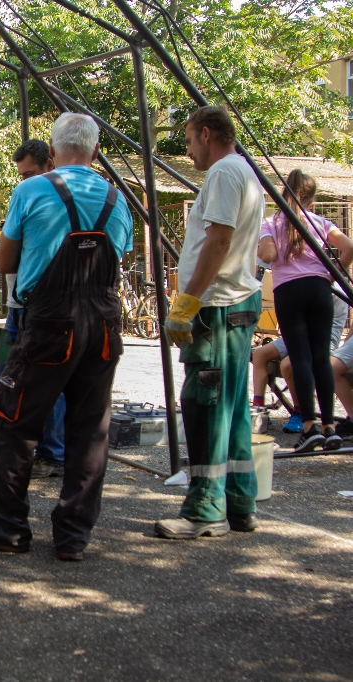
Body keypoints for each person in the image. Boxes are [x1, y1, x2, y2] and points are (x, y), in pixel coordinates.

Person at [0, 113, 133, 561]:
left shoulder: (32, 190)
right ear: (95, 153)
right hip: (104, 325)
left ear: (53, 153)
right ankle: (73, 537)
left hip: (50, 323)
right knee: (90, 431)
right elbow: (119, 257)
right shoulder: (118, 198)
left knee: (12, 424)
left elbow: (4, 263)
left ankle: (8, 528)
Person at [156, 107, 265, 540]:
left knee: (204, 406)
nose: (188, 150)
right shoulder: (246, 172)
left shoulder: (223, 173)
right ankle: (240, 502)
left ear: (206, 133)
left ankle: (205, 509)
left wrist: (187, 302)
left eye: (188, 141)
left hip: (216, 309)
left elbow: (218, 241)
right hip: (238, 303)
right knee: (233, 411)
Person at [256, 170, 353, 452]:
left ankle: (309, 425)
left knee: (300, 358)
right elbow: (349, 247)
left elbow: (268, 256)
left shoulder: (271, 223)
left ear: (282, 194)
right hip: (319, 290)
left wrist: (264, 245)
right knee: (322, 358)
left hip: (289, 292)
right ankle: (330, 429)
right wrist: (330, 275)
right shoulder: (321, 222)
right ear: (311, 197)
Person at [0, 139, 65, 479]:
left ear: (50, 164)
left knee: (41, 381)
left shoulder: (39, 197)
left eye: (31, 173)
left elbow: (5, 259)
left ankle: (50, 452)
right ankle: (13, 443)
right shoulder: (32, 194)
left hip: (37, 305)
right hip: (23, 303)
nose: (25, 181)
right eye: (21, 176)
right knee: (11, 378)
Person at [251, 295, 348, 432]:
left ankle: (299, 412)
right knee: (259, 354)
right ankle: (258, 410)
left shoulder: (333, 289)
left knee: (288, 364)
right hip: (301, 333)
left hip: (324, 338)